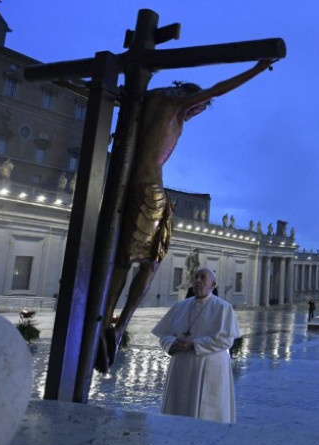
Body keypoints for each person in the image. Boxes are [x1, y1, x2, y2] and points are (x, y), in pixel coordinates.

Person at [97, 58, 277, 372]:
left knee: (126, 257)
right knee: (147, 261)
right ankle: (117, 323)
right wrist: (258, 67)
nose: (196, 114)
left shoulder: (147, 100)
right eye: (200, 109)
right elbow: (221, 88)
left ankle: (106, 316)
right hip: (149, 188)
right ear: (194, 101)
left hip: (125, 184)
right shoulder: (177, 104)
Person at [152, 268, 242, 423]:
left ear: (212, 285)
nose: (198, 280)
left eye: (203, 277)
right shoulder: (180, 307)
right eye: (196, 277)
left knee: (206, 413)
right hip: (179, 367)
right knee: (177, 410)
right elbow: (164, 334)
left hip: (208, 368)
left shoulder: (223, 308)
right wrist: (171, 344)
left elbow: (226, 340)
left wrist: (194, 345)